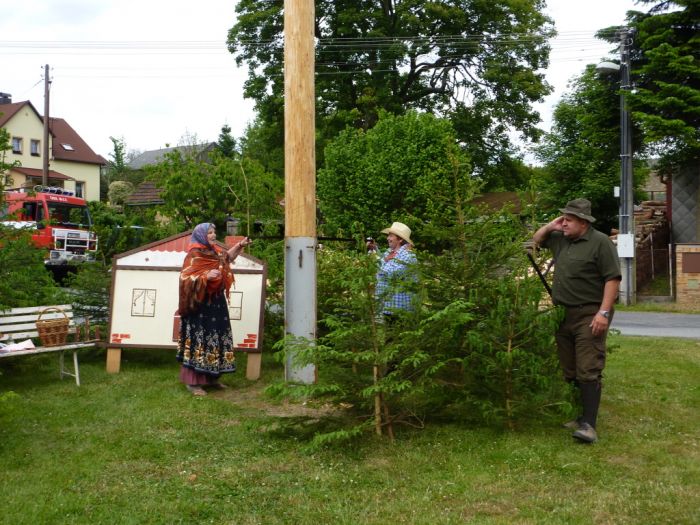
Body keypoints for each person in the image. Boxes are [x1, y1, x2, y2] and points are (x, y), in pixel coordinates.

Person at [532, 198, 621, 443]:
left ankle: (589, 426)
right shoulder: (560, 238)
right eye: (563, 218)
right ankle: (578, 416)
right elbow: (534, 242)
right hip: (564, 313)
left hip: (589, 313)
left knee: (588, 368)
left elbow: (612, 279)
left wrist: (603, 313)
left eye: (568, 219)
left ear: (583, 222)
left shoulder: (600, 242)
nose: (564, 223)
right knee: (569, 367)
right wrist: (551, 226)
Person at [176, 222, 252, 396]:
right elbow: (185, 277)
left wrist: (240, 245)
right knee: (200, 339)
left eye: (214, 231)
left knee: (216, 337)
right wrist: (205, 275)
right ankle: (193, 382)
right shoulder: (194, 254)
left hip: (216, 302)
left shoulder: (214, 252)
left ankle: (212, 379)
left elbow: (227, 258)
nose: (213, 235)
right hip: (200, 305)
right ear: (201, 235)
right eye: (209, 232)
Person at [367, 221, 418, 317]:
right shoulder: (388, 252)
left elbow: (392, 274)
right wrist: (383, 260)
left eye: (391, 236)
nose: (387, 238)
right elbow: (378, 272)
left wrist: (382, 263)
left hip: (401, 309)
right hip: (387, 306)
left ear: (400, 240)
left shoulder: (408, 256)